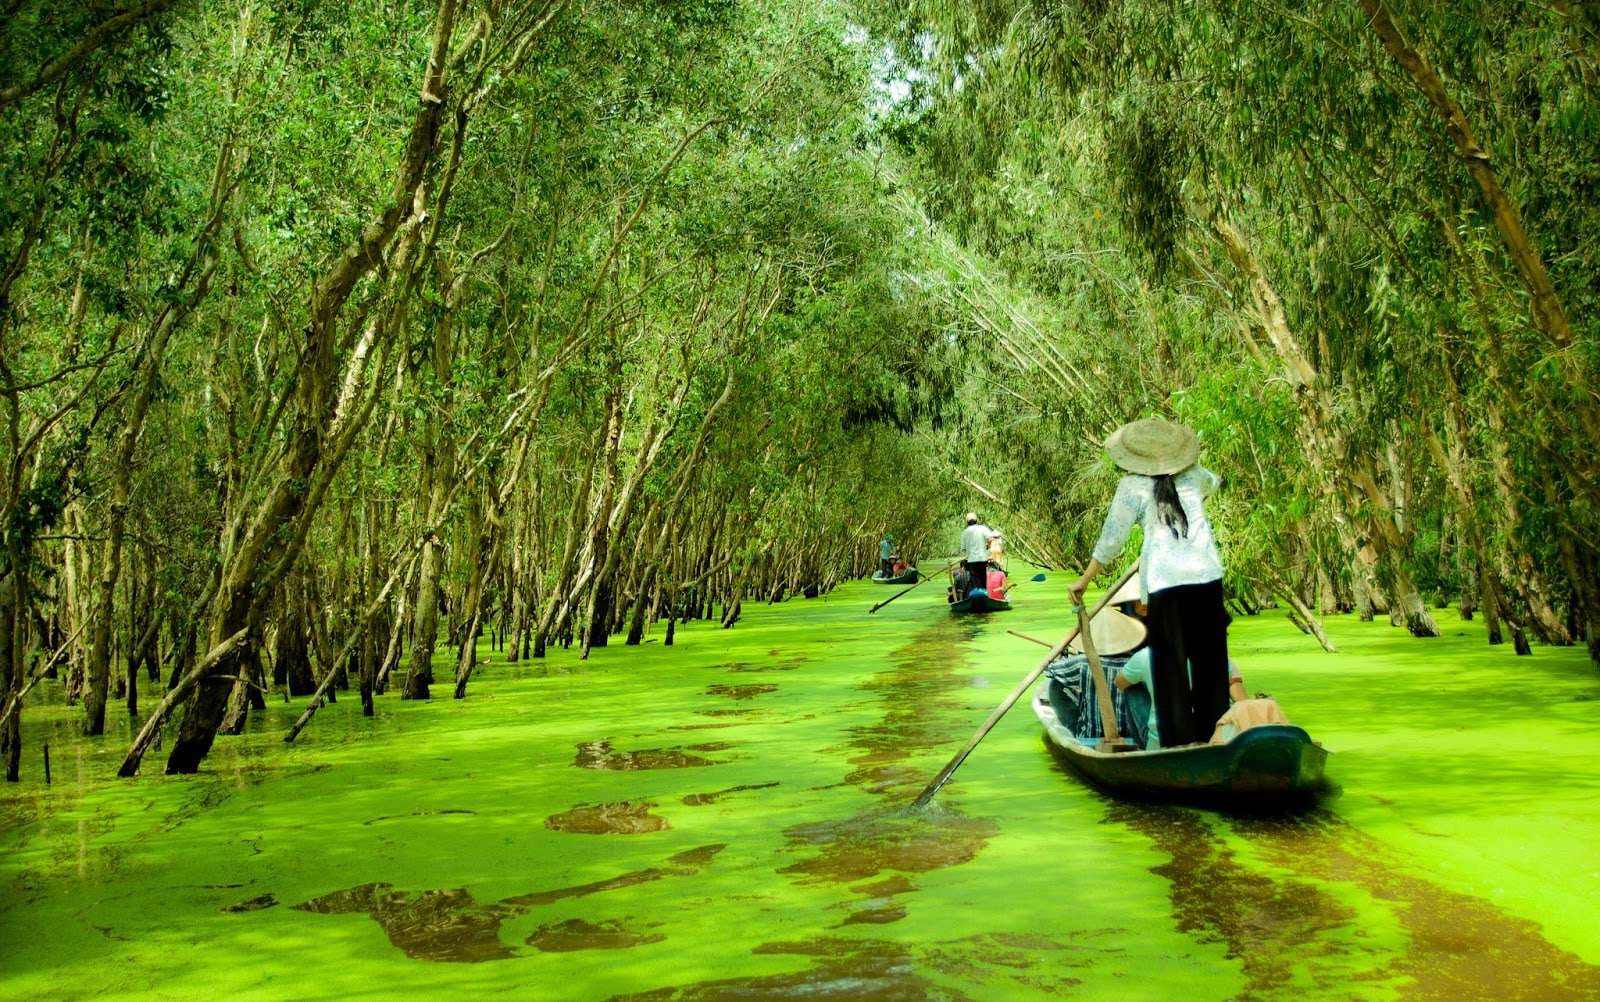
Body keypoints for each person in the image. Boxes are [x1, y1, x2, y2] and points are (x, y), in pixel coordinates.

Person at [1069, 418, 1228, 748]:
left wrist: (1084, 581)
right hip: (1207, 577)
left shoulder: (1132, 487)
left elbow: (1112, 539)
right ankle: (1215, 739)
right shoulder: (1195, 475)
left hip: (1165, 584)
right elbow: (1216, 483)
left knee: (1170, 671)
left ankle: (1179, 748)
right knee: (1211, 665)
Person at [1044, 608, 1152, 747]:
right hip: (1133, 736)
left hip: (1090, 736)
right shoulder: (1137, 663)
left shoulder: (1082, 663)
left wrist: (1059, 656)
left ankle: (1073, 729)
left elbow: (1050, 671)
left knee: (1055, 684)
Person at [959, 513, 993, 599]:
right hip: (982, 559)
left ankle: (976, 598)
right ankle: (983, 597)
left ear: (967, 522)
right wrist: (987, 547)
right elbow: (990, 539)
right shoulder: (982, 528)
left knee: (975, 581)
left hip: (971, 561)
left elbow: (963, 549)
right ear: (976, 520)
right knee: (982, 579)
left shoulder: (964, 532)